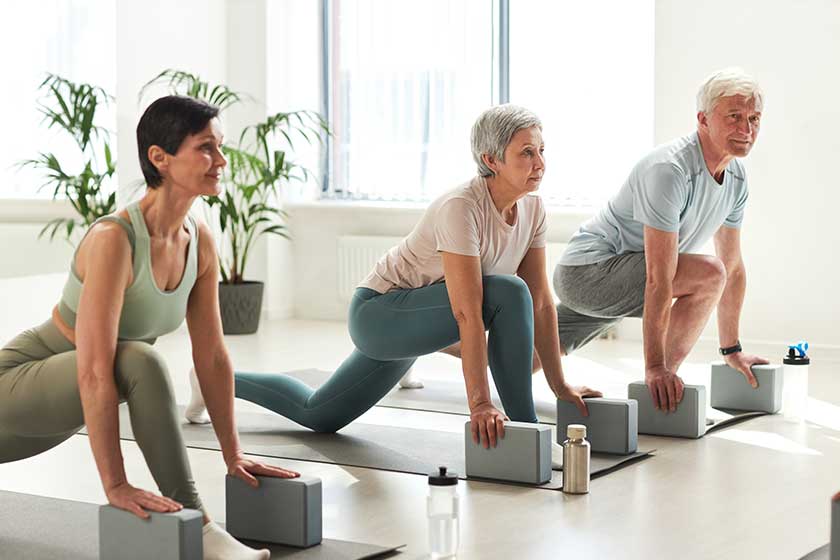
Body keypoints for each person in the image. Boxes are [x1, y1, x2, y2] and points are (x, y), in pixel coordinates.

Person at [192, 104, 601, 450]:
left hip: (422, 319)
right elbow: (466, 311)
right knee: (506, 292)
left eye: (542, 150)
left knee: (319, 415)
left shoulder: (533, 209)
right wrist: (479, 404)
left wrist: (560, 385)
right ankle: (527, 434)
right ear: (491, 160)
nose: (540, 163)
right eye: (526, 153)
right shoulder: (460, 207)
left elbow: (543, 302)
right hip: (379, 314)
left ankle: (210, 381)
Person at [0, 95, 296, 560]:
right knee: (138, 355)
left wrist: (232, 453)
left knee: (137, 355)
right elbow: (97, 372)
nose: (220, 161)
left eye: (221, 147)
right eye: (205, 148)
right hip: (17, 383)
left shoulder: (198, 239)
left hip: (56, 406)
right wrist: (115, 484)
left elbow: (213, 356)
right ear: (159, 157)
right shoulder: (114, 239)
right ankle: (200, 529)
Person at [552, 68, 769, 412]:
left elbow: (734, 267)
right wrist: (655, 368)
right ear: (702, 119)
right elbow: (659, 277)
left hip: (624, 275)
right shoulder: (670, 170)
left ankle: (440, 343)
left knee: (512, 354)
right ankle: (661, 385)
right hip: (588, 273)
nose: (747, 129)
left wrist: (732, 350)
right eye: (734, 117)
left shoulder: (737, 177)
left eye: (754, 118)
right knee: (707, 273)